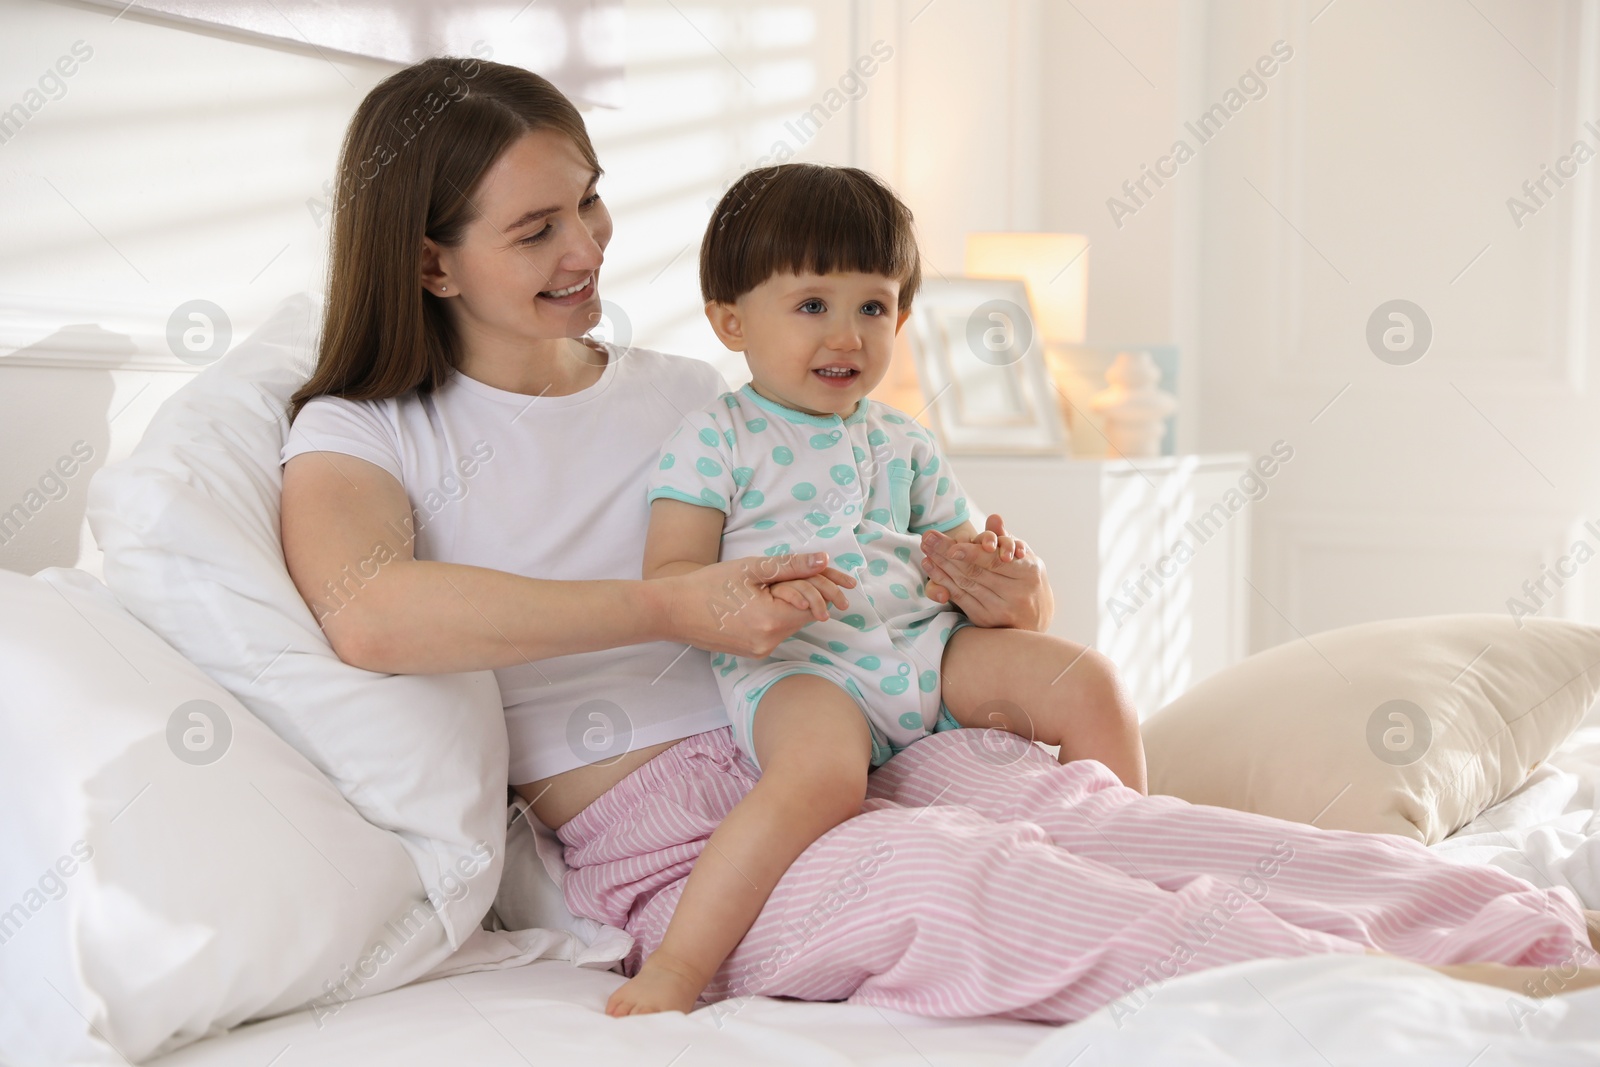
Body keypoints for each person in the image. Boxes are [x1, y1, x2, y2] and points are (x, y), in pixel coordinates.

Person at [280, 55, 1600, 1024]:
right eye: (536, 229)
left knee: (1100, 820)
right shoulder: (371, 429)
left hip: (870, 722)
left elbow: (897, 554)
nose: (588, 247)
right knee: (980, 887)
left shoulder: (699, 394)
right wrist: (678, 610)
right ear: (433, 263)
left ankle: (1515, 923)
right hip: (669, 822)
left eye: (590, 202)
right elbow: (368, 608)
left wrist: (999, 596)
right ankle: (1413, 997)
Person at [610, 162, 1146, 1016]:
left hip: (927, 647)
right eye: (813, 305)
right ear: (731, 319)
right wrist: (750, 597)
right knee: (822, 774)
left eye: (874, 306)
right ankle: (677, 966)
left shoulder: (904, 440)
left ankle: (1121, 872)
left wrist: (1013, 590)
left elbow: (981, 573)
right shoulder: (716, 437)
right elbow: (671, 578)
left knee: (1088, 681)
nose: (849, 334)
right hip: (804, 664)